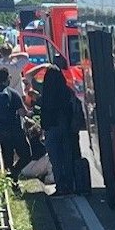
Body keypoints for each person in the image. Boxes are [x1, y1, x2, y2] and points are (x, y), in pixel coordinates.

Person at [36, 66, 83, 194]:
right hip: (66, 128)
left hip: (51, 128)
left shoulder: (46, 93)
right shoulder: (67, 92)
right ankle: (70, 184)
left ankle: (60, 186)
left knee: (56, 159)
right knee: (68, 156)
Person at [0, 67, 30, 175]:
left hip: (0, 132)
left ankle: (10, 181)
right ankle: (14, 172)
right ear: (8, 78)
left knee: (7, 160)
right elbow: (22, 112)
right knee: (26, 155)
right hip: (16, 131)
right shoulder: (13, 93)